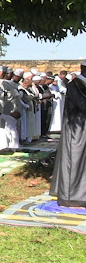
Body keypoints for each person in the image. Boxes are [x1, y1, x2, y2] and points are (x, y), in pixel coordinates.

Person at [51, 61, 86, 207]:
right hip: (76, 130)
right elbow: (82, 105)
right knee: (74, 160)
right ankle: (72, 196)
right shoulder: (75, 85)